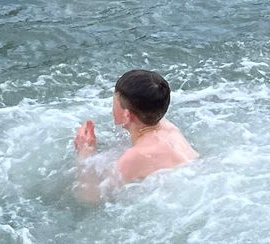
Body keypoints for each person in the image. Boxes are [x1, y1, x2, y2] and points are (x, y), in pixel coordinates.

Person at [73, 69, 198, 202]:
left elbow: (92, 199)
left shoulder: (133, 158)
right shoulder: (169, 128)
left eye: (114, 102)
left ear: (127, 115)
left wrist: (84, 154)